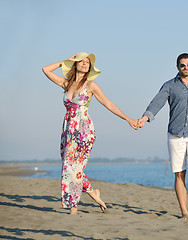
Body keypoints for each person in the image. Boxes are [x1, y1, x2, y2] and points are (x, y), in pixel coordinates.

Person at [42, 52, 139, 214]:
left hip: (83, 131)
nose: (85, 64)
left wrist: (128, 119)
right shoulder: (67, 84)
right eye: (81, 61)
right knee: (70, 167)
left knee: (74, 168)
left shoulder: (91, 85)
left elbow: (108, 103)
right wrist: (65, 62)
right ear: (75, 64)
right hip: (68, 130)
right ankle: (95, 194)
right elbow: (45, 69)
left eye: (88, 62)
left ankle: (73, 209)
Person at [138, 53, 188, 220]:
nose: (186, 68)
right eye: (183, 65)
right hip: (175, 135)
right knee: (179, 174)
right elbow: (157, 103)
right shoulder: (169, 85)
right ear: (177, 66)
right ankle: (184, 212)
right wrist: (145, 118)